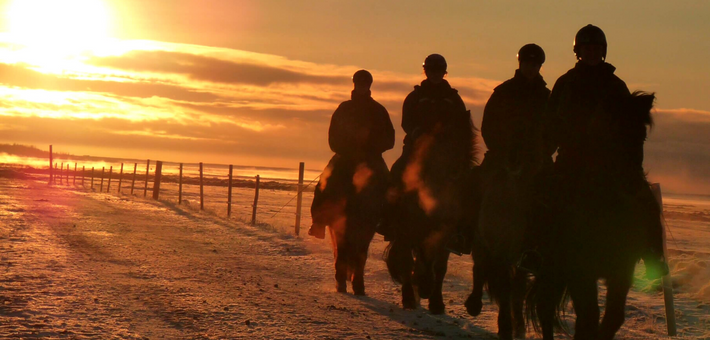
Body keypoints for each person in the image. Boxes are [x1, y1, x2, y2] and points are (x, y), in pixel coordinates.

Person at [541, 24, 668, 278]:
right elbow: (550, 121)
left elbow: (631, 125)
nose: (591, 53)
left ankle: (653, 256)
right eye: (587, 49)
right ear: (578, 52)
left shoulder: (615, 85)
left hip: (610, 162)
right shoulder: (565, 84)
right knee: (544, 198)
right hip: (572, 159)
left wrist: (630, 161)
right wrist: (548, 149)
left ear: (603, 52)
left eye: (596, 49)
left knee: (645, 201)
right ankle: (535, 251)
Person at [379, 54, 474, 254]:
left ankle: (461, 232)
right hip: (416, 150)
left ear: (444, 72)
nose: (435, 74)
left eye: (439, 71)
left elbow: (462, 126)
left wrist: (448, 140)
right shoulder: (415, 97)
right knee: (397, 173)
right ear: (426, 72)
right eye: (431, 70)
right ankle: (388, 222)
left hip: (444, 154)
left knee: (466, 184)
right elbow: (406, 121)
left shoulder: (453, 99)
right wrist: (417, 134)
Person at [308, 70, 395, 239]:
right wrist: (347, 148)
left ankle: (389, 223)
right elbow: (333, 138)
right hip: (346, 156)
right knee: (325, 182)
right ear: (354, 84)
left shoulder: (378, 110)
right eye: (359, 83)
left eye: (365, 84)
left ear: (369, 86)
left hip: (371, 158)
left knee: (388, 184)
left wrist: (371, 147)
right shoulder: (344, 109)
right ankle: (318, 222)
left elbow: (389, 139)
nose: (362, 87)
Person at [480, 43, 551, 175]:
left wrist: (541, 153)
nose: (531, 68)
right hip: (502, 159)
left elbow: (554, 128)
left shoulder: (546, 96)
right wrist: (501, 152)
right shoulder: (502, 92)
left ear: (540, 67)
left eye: (535, 65)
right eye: (527, 64)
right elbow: (489, 126)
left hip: (537, 160)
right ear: (520, 64)